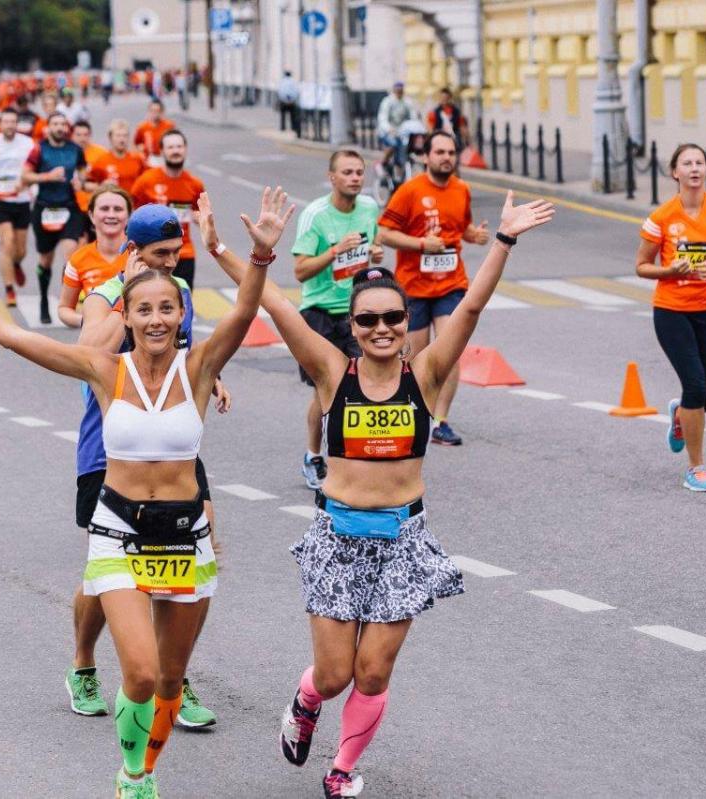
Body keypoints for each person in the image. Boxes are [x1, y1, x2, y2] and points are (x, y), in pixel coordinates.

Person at [0, 187, 292, 799]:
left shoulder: (200, 367)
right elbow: (16, 339)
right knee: (141, 670)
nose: (156, 319)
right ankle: (133, 780)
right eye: (144, 310)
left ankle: (145, 766)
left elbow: (243, 312)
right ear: (124, 319)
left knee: (172, 680)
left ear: (181, 315)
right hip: (119, 533)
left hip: (185, 534)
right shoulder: (106, 370)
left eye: (167, 308)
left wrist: (259, 258)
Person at [202, 189, 552, 799]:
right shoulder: (335, 374)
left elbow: (469, 307)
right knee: (335, 674)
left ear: (404, 321)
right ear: (354, 327)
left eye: (394, 317)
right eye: (369, 320)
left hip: (402, 540)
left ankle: (341, 770)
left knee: (372, 671)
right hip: (338, 539)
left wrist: (504, 239)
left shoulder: (426, 372)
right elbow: (279, 307)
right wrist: (230, 251)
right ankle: (306, 703)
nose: (384, 328)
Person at [65, 203, 228, 734]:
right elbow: (89, 353)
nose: (171, 264)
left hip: (171, 444)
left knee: (189, 539)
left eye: (176, 254)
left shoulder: (173, 293)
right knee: (104, 567)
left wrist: (209, 379)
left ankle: (170, 675)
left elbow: (181, 355)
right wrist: (124, 300)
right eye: (159, 255)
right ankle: (85, 661)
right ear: (134, 253)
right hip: (108, 449)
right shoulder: (106, 295)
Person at [635, 143, 706, 492]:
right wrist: (669, 270)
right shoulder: (662, 217)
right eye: (687, 163)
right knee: (695, 385)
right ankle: (696, 468)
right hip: (672, 311)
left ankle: (681, 414)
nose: (695, 168)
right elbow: (641, 266)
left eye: (700, 162)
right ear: (675, 172)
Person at [377, 131, 490, 446]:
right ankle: (416, 412)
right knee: (416, 356)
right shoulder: (409, 191)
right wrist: (421, 244)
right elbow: (384, 232)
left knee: (450, 352)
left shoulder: (462, 189)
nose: (446, 158)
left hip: (451, 284)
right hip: (413, 285)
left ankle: (441, 421)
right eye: (439, 152)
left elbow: (459, 227)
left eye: (451, 152)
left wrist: (473, 236)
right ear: (426, 157)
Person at [292, 150, 384, 489]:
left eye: (359, 172)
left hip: (354, 311)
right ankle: (313, 456)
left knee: (360, 386)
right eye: (347, 172)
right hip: (317, 312)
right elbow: (300, 270)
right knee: (325, 388)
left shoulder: (369, 209)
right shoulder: (315, 216)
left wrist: (374, 253)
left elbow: (373, 245)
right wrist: (335, 252)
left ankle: (354, 457)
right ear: (332, 177)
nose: (356, 178)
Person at [23, 111, 88, 324]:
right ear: (48, 127)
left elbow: (82, 171)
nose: (60, 127)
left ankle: (65, 303)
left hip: (69, 207)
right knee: (45, 260)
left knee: (70, 255)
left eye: (63, 124)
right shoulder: (38, 149)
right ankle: (43, 300)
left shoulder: (75, 149)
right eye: (55, 124)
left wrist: (81, 182)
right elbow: (25, 176)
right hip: (44, 209)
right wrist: (46, 177)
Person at [130, 129, 205, 288]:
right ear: (162, 151)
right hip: (153, 252)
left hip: (183, 252)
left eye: (179, 147)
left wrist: (199, 217)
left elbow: (201, 215)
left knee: (182, 301)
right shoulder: (146, 181)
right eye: (170, 147)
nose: (175, 151)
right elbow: (131, 212)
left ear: (185, 149)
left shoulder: (194, 184)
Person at [0, 107, 34, 307]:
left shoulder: (27, 143)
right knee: (7, 241)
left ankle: (16, 263)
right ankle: (9, 289)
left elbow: (34, 168)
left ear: (17, 124)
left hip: (21, 200)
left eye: (13, 122)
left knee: (20, 250)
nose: (10, 125)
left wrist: (26, 183)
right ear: (0, 124)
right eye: (6, 122)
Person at [58, 186, 133, 328]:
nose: (111, 215)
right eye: (104, 209)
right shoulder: (78, 259)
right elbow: (64, 309)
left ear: (128, 215)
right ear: (91, 215)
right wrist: (85, 321)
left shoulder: (141, 255)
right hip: (95, 345)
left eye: (118, 209)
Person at [86, 119, 147, 194]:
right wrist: (101, 187)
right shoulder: (101, 161)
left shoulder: (138, 159)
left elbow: (147, 181)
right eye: (118, 136)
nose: (122, 140)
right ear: (110, 138)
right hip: (112, 203)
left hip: (133, 203)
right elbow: (87, 185)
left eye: (125, 136)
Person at [375, 82, 418, 176]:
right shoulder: (387, 101)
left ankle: (401, 170)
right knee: (393, 144)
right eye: (397, 90)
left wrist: (416, 126)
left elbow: (413, 116)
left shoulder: (407, 101)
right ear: (394, 91)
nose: (399, 92)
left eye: (401, 90)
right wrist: (389, 129)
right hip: (388, 132)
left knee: (409, 147)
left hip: (402, 132)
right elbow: (382, 119)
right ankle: (382, 163)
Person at [135, 99, 174, 168]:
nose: (155, 114)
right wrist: (142, 152)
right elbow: (137, 143)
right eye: (152, 111)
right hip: (150, 158)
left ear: (162, 112)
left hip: (165, 158)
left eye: (157, 111)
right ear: (149, 111)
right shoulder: (142, 127)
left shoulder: (169, 126)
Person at [278, 70, 301, 135]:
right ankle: (293, 127)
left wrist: (283, 99)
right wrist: (292, 99)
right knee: (292, 115)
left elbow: (280, 91)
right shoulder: (293, 81)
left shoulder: (282, 81)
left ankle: (282, 127)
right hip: (292, 101)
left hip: (283, 101)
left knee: (283, 115)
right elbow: (296, 91)